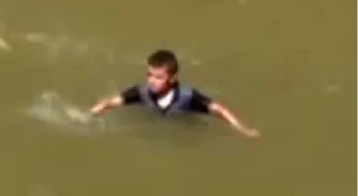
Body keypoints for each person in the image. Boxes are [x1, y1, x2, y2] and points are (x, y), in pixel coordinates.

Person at [89, 49, 259, 137]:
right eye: (149, 75)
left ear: (172, 78)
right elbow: (114, 101)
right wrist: (99, 109)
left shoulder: (189, 96)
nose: (151, 81)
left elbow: (220, 110)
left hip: (187, 123)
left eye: (158, 77)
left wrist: (241, 129)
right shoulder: (140, 92)